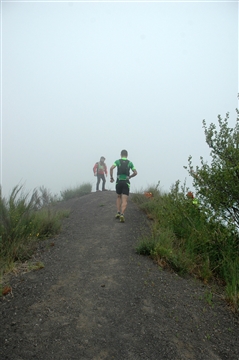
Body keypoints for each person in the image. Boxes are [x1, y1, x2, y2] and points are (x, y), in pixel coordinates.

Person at [110, 149, 137, 223]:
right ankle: (122, 214)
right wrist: (130, 176)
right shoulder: (130, 163)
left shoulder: (118, 161)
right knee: (124, 199)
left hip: (119, 181)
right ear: (127, 155)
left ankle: (118, 212)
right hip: (126, 182)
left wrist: (111, 177)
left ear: (120, 155)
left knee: (118, 196)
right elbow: (135, 172)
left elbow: (111, 168)